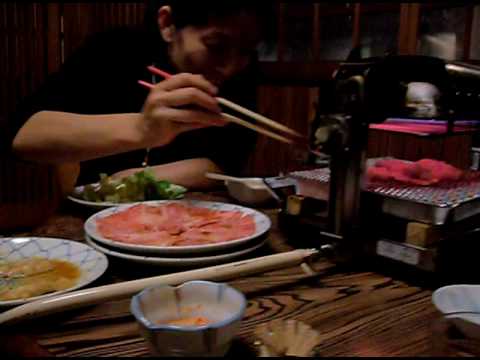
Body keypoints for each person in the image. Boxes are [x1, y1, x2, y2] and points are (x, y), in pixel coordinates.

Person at [7, 1, 274, 189]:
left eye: (246, 50)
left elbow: (223, 163)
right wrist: (140, 128)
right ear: (168, 23)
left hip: (201, 223)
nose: (230, 66)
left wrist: (132, 179)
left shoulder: (242, 73)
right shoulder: (113, 50)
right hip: (98, 223)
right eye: (216, 46)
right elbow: (23, 137)